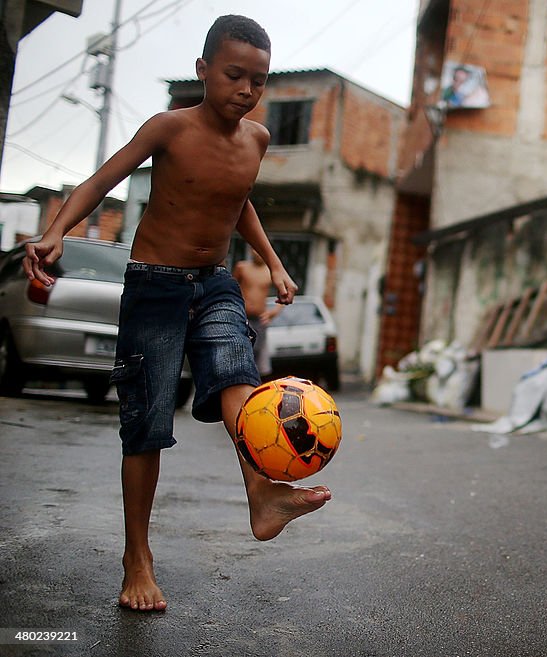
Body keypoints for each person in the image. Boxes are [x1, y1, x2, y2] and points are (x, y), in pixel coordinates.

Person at [22, 15, 332, 611]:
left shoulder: (258, 140)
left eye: (258, 81)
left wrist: (273, 262)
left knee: (236, 375)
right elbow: (101, 179)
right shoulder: (169, 128)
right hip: (154, 286)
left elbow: (237, 201)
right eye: (234, 74)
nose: (246, 89)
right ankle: (136, 557)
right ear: (203, 71)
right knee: (146, 423)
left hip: (214, 282)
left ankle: (262, 495)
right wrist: (57, 230)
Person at [234, 251, 282, 380]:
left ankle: (256, 389)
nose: (258, 253)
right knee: (239, 354)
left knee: (259, 359)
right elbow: (231, 288)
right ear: (251, 249)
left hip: (260, 321)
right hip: (241, 318)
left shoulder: (270, 272)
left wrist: (273, 312)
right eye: (254, 249)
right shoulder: (242, 267)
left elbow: (284, 294)